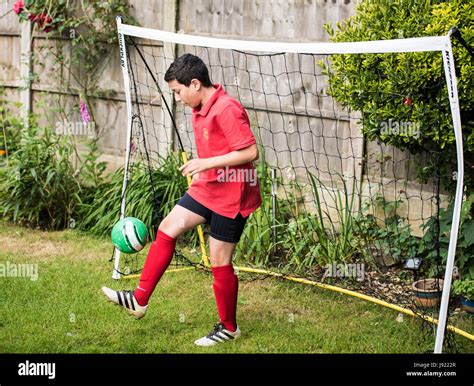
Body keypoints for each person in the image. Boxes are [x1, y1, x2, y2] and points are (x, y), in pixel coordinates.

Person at [102, 53, 262, 347]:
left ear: (195, 83)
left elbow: (251, 153)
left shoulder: (227, 109)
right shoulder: (199, 106)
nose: (177, 98)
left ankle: (229, 328)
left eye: (177, 91)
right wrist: (206, 169)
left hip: (233, 194)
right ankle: (139, 300)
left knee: (219, 262)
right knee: (167, 227)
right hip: (208, 188)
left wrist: (206, 163)